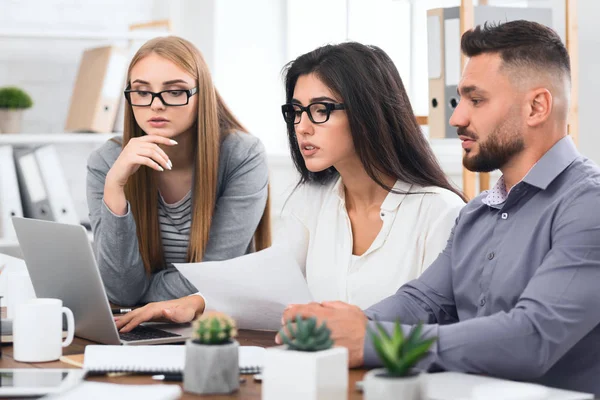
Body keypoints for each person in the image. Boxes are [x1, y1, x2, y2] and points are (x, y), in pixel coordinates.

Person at [279, 20, 600, 395]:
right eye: (459, 100)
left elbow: (533, 337)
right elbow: (423, 302)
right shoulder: (477, 213)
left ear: (537, 106)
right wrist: (337, 326)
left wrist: (369, 338)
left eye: (475, 100)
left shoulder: (587, 205)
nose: (457, 118)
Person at [113, 42, 465, 333]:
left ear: (369, 113)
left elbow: (443, 326)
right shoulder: (310, 202)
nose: (302, 127)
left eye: (321, 110)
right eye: (296, 111)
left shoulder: (439, 212)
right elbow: (267, 288)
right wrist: (189, 304)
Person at [86, 36, 271, 307]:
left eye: (174, 91)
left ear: (202, 95)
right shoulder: (107, 161)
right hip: (141, 327)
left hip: (214, 325)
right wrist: (115, 187)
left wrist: (145, 295)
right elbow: (119, 291)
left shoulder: (242, 155)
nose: (156, 104)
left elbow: (215, 273)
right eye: (142, 91)